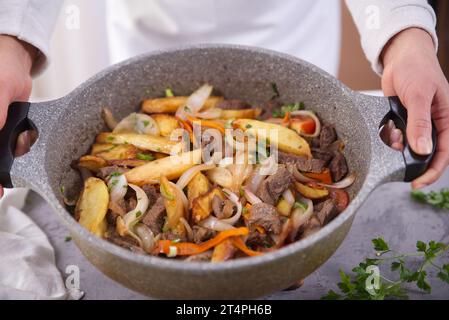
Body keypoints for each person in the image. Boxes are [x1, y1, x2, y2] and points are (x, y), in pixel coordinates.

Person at [0, 0, 448, 199]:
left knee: (305, 153)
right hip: (151, 41)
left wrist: (403, 30)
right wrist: (11, 41)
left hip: (287, 42)